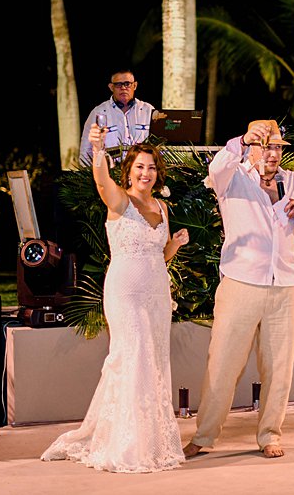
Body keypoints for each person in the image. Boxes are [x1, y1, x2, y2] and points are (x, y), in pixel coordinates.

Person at [41, 128, 189, 473]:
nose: (145, 173)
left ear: (158, 173)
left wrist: (175, 245)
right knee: (134, 356)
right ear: (129, 170)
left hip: (156, 291)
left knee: (152, 363)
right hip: (124, 291)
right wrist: (97, 148)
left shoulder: (163, 207)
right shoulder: (120, 200)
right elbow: (100, 180)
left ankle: (151, 442)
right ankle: (126, 445)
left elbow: (160, 255)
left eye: (151, 168)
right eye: (139, 167)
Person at [183, 119, 294, 460]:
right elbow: (217, 165)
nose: (273, 153)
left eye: (277, 147)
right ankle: (204, 436)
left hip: (287, 285)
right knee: (223, 365)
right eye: (266, 146)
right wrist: (242, 138)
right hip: (241, 283)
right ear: (250, 148)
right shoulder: (232, 177)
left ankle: (270, 435)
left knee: (279, 368)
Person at [78, 69, 155, 164]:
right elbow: (86, 151)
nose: (123, 88)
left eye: (127, 84)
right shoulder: (99, 112)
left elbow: (159, 145)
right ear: (111, 87)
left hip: (141, 172)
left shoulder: (148, 110)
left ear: (135, 85)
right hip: (110, 172)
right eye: (118, 84)